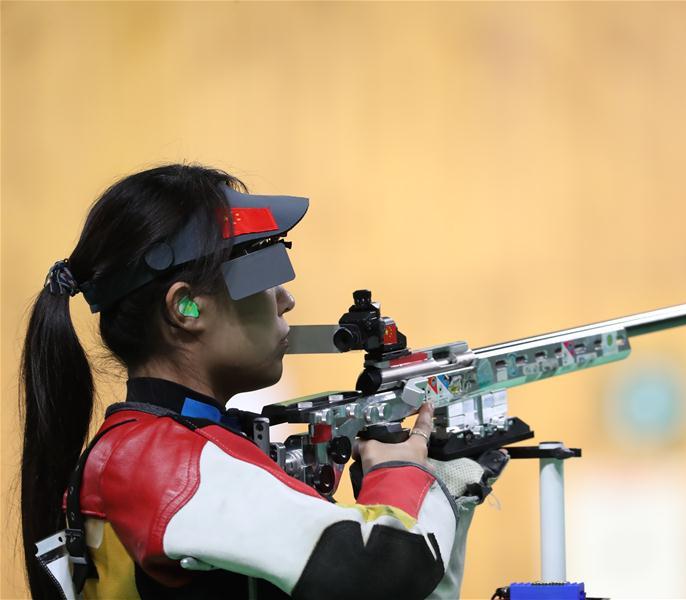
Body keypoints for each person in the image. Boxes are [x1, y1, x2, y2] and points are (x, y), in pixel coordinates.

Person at [20, 164, 505, 599]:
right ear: (186, 307)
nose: (285, 299)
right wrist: (401, 473)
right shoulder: (162, 462)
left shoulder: (175, 449)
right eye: (260, 268)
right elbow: (380, 567)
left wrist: (443, 488)